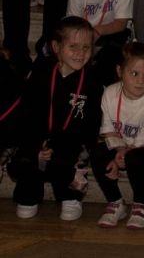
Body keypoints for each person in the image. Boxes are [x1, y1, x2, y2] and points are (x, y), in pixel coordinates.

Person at [9, 16, 102, 221]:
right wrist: (38, 145)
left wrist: (63, 145)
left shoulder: (92, 80)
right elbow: (27, 112)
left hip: (70, 141)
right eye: (73, 46)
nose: (80, 53)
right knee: (26, 156)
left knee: (74, 154)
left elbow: (92, 121)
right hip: (39, 137)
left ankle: (70, 195)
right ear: (56, 47)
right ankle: (28, 194)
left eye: (86, 47)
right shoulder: (41, 71)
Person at [92, 42, 144, 229]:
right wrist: (118, 150)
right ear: (120, 71)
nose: (141, 80)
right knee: (97, 153)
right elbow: (107, 128)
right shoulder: (109, 93)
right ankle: (116, 202)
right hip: (121, 145)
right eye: (134, 73)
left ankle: (141, 204)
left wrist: (121, 156)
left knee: (135, 159)